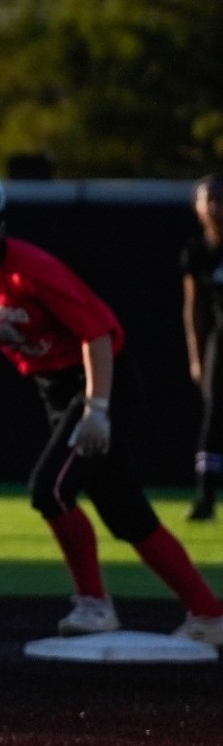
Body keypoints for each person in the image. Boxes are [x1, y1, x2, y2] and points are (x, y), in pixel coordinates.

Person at [0, 158, 223, 646]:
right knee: (125, 511)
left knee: (49, 490)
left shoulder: (29, 267)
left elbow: (96, 335)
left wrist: (97, 408)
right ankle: (209, 613)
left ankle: (94, 605)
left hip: (101, 379)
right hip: (57, 388)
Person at [177, 175, 223, 520]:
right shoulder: (197, 251)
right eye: (208, 200)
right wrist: (196, 357)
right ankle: (205, 497)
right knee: (214, 415)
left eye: (220, 199)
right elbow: (193, 306)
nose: (215, 208)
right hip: (220, 339)